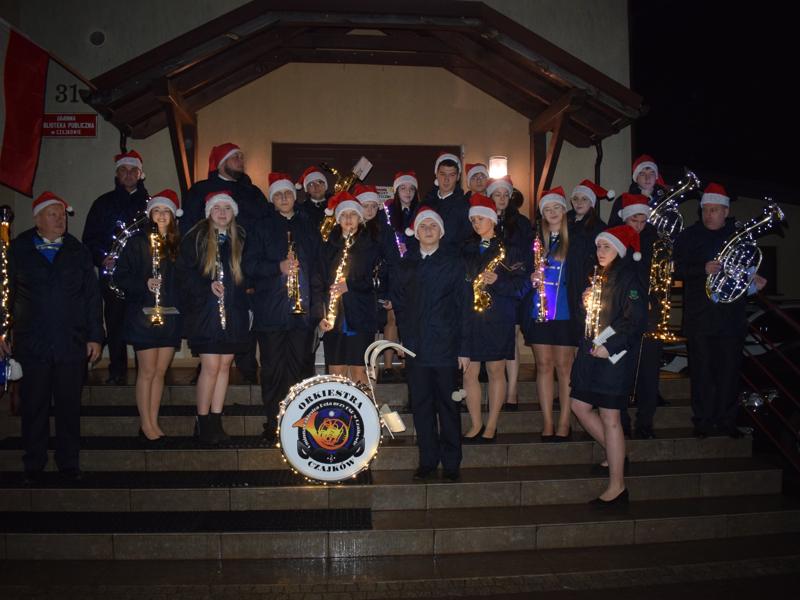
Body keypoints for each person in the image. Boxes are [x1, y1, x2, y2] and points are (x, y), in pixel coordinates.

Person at [3, 192, 103, 483]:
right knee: (34, 406)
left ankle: (68, 463)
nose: (60, 220)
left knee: (69, 407)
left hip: (70, 342)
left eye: (62, 215)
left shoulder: (77, 251)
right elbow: (5, 293)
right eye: (53, 215)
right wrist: (2, 332)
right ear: (37, 219)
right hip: (32, 342)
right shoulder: (18, 249)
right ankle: (33, 464)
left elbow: (91, 297)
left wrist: (95, 336)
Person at [674, 183, 766, 438]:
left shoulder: (739, 236)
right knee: (702, 373)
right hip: (700, 318)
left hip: (731, 318)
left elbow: (745, 269)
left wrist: (754, 282)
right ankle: (703, 422)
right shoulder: (689, 236)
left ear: (726, 211)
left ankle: (727, 421)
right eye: (706, 209)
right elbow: (676, 268)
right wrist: (701, 269)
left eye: (714, 210)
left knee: (729, 373)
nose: (709, 214)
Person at [570, 225, 648, 507]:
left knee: (610, 417)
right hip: (591, 353)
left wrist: (611, 345)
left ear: (620, 250)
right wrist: (585, 304)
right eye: (599, 246)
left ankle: (617, 487)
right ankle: (616, 453)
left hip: (613, 359)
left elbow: (635, 321)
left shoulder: (629, 277)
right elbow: (592, 318)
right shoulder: (599, 274)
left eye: (607, 246)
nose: (600, 251)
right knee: (579, 405)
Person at [389, 207, 467, 481]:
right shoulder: (405, 264)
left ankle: (452, 462)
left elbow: (464, 307)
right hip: (416, 347)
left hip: (446, 347)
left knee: (448, 407)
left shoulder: (454, 263)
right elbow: (399, 305)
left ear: (441, 231)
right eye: (423, 226)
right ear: (416, 232)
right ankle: (428, 460)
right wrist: (404, 338)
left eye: (433, 225)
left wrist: (464, 349)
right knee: (421, 407)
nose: (428, 230)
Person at [179, 143, 268, 383]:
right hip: (208, 272)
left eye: (241, 156)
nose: (240, 160)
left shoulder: (252, 192)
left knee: (242, 326)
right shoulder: (200, 190)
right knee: (211, 346)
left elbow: (263, 226)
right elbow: (189, 231)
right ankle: (205, 376)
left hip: (242, 269)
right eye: (234, 157)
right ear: (220, 162)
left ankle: (248, 372)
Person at [244, 173, 319, 444]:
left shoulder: (308, 225)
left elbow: (318, 267)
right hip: (271, 312)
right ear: (272, 199)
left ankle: (299, 422)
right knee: (273, 369)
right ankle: (274, 422)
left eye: (287, 193)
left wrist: (317, 306)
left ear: (294, 196)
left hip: (302, 313)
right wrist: (278, 267)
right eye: (278, 195)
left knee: (300, 369)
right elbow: (248, 266)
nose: (284, 198)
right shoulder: (260, 226)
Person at [176, 191, 251, 445]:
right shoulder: (196, 238)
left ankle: (216, 419)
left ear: (233, 213)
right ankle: (203, 419)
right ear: (209, 212)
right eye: (217, 208)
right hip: (206, 313)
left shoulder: (240, 239)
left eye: (227, 209)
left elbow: (246, 276)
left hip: (233, 314)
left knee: (224, 366)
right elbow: (183, 274)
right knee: (210, 367)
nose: (222, 213)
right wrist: (205, 286)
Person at [522, 187, 592, 441]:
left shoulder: (577, 239)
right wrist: (529, 277)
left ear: (564, 211)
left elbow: (586, 273)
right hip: (539, 311)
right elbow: (520, 272)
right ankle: (548, 422)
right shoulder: (534, 241)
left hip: (566, 312)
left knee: (564, 368)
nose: (551, 213)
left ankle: (564, 421)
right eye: (547, 209)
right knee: (543, 366)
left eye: (556, 208)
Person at [114, 190, 183, 442]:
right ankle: (145, 424)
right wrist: (144, 283)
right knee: (147, 371)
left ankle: (154, 421)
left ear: (173, 216)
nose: (162, 215)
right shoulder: (137, 243)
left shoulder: (178, 244)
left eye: (166, 211)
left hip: (170, 316)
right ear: (150, 214)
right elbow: (120, 276)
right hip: (143, 316)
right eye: (157, 211)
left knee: (160, 371)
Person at [461, 194, 526, 443]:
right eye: (473, 220)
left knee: (496, 370)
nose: (476, 223)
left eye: (481, 218)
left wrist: (499, 281)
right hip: (471, 317)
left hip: (498, 317)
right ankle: (476, 423)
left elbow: (522, 287)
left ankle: (492, 424)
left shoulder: (510, 248)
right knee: (469, 372)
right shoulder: (466, 249)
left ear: (492, 219)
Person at [82, 150, 148, 384]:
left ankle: (146, 372)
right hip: (112, 276)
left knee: (144, 323)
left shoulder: (152, 205)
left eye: (133, 170)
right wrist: (102, 258)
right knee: (115, 322)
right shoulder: (102, 204)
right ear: (117, 174)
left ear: (140, 174)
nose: (128, 174)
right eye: (123, 170)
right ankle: (117, 370)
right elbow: (89, 239)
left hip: (143, 277)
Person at [313, 191, 380, 385]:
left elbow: (378, 280)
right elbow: (317, 282)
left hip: (361, 315)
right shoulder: (327, 247)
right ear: (337, 219)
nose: (349, 218)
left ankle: (364, 406)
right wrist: (319, 315)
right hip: (334, 318)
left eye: (353, 214)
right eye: (344, 214)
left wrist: (349, 285)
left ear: (360, 218)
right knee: (336, 371)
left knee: (360, 371)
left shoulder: (372, 246)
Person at [487, 176, 533, 411]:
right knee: (493, 338)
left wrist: (517, 271)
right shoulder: (483, 219)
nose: (502, 198)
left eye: (506, 194)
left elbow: (527, 255)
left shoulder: (522, 223)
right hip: (488, 288)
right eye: (497, 194)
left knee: (511, 337)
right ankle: (497, 389)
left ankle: (512, 390)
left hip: (513, 287)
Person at [618, 194, 660, 439]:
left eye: (643, 221)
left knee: (649, 371)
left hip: (649, 312)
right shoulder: (615, 239)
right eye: (635, 220)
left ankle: (646, 422)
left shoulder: (654, 240)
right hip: (622, 314)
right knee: (622, 369)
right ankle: (621, 420)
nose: (639, 226)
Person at [355, 183, 402, 380]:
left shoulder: (385, 231)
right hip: (354, 292)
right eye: (366, 206)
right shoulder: (349, 229)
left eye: (374, 206)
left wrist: (391, 294)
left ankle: (374, 375)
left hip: (377, 289)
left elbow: (394, 263)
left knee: (375, 332)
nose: (370, 210)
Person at [420, 152, 472, 252]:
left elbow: (468, 240)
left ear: (458, 177)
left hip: (453, 259)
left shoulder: (465, 206)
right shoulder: (426, 203)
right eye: (442, 174)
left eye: (451, 175)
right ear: (436, 174)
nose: (446, 179)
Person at [608, 155, 667, 227]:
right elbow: (613, 228)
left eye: (651, 173)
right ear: (636, 178)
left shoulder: (664, 198)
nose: (647, 178)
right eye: (642, 174)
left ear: (656, 176)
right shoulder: (622, 201)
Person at [296, 166, 331, 232]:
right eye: (311, 184)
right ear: (307, 189)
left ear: (325, 186)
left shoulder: (336, 205)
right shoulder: (301, 210)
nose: (316, 187)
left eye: (319, 182)